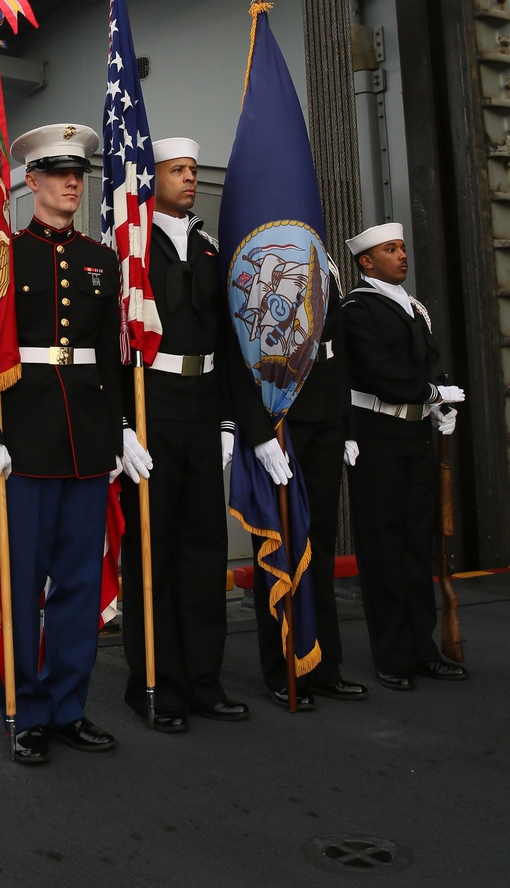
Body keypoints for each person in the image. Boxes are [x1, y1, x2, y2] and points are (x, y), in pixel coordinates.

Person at [0, 124, 123, 764]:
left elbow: (109, 358)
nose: (71, 184)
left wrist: (119, 434)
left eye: (78, 174)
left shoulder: (101, 259)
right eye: (58, 174)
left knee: (80, 586)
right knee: (23, 586)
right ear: (31, 182)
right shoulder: (2, 254)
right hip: (22, 440)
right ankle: (25, 712)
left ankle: (68, 707)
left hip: (85, 440)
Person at [118, 138, 250, 733]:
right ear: (153, 178)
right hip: (152, 411)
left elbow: (228, 340)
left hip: (202, 408)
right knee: (153, 551)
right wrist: (121, 425)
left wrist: (227, 420)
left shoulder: (209, 248)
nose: (191, 178)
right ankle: (155, 682)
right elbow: (109, 346)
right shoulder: (129, 249)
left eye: (195, 170)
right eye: (178, 169)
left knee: (204, 551)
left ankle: (203, 679)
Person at [340, 223, 468, 690]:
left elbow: (424, 363)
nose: (401, 255)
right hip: (376, 433)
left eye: (402, 248)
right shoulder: (357, 307)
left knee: (418, 541)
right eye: (389, 250)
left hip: (414, 433)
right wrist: (431, 390)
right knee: (384, 543)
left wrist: (436, 406)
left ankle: (422, 648)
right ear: (366, 262)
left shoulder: (414, 308)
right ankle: (391, 655)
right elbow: (378, 370)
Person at [237, 271, 369, 708]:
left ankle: (324, 665)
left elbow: (339, 351)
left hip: (328, 415)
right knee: (278, 545)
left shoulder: (321, 258)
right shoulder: (268, 245)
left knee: (321, 548)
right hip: (282, 417)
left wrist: (348, 425)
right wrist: (257, 432)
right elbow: (243, 346)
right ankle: (281, 670)